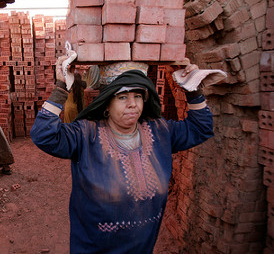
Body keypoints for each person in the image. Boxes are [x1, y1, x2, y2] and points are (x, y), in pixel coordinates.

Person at [30, 58, 214, 253]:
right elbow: (43, 135)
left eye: (137, 96)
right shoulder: (85, 135)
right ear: (107, 104)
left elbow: (201, 128)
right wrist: (61, 88)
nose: (132, 104)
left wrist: (192, 90)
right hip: (93, 248)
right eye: (122, 97)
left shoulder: (160, 131)